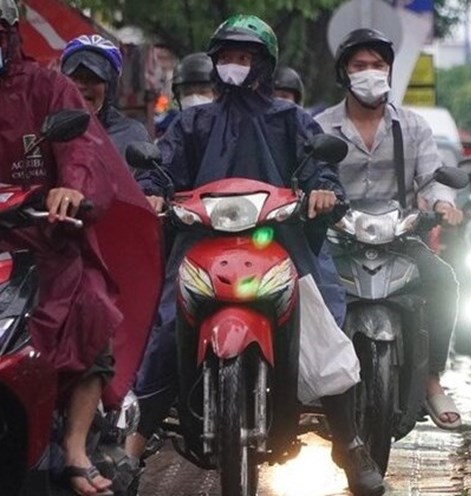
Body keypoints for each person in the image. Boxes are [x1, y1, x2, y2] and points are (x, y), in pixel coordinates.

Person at [128, 15, 384, 495]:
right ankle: (130, 450)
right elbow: (160, 169)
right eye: (226, 57)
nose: (233, 66)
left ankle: (350, 444)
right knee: (165, 325)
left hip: (278, 242)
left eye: (243, 58)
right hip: (200, 245)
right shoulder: (192, 120)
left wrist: (323, 192)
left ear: (263, 64)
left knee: (323, 324)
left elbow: (319, 167)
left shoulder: (290, 120)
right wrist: (152, 192)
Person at [0, 2, 161, 495]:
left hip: (44, 238)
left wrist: (68, 188)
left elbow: (82, 153)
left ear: (8, 33)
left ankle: (73, 448)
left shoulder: (47, 86)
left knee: (91, 302)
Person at [316, 28, 463, 431]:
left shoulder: (413, 127)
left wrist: (442, 203)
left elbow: (431, 179)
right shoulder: (320, 127)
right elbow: (308, 175)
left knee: (443, 281)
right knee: (300, 289)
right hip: (337, 242)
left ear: (390, 72)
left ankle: (432, 378)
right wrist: (315, 196)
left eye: (377, 66)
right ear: (344, 72)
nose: (369, 73)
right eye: (359, 66)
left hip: (400, 239)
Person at [60, 35, 151, 158]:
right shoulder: (44, 130)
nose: (81, 86)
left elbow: (148, 175)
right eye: (75, 78)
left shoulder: (131, 135)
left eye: (92, 78)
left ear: (109, 88)